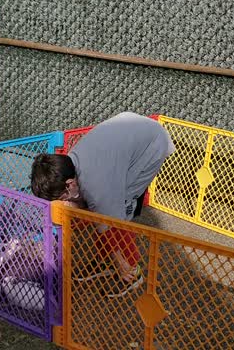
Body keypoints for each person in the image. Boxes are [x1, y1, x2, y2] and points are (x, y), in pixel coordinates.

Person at [30, 112, 175, 297]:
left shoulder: (96, 185)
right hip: (129, 134)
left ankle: (130, 271)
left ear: (70, 183)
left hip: (152, 143)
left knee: (120, 210)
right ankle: (106, 261)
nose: (63, 201)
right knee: (99, 209)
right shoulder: (70, 162)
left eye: (61, 196)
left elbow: (105, 221)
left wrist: (118, 258)